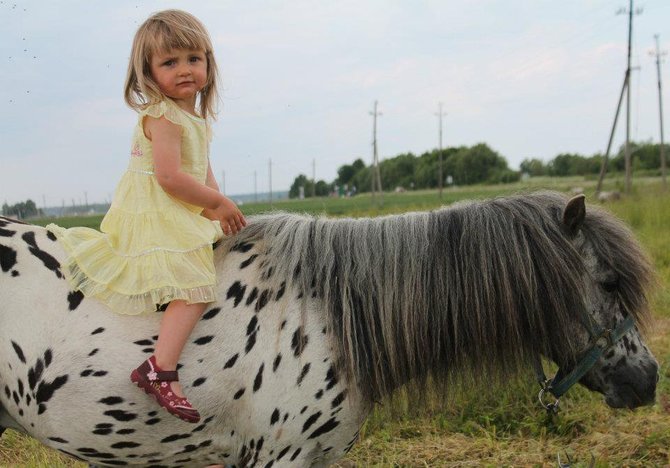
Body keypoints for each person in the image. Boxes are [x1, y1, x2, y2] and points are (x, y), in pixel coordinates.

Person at [47, 9, 246, 423]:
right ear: (149, 73)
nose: (185, 70)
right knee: (194, 284)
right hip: (157, 210)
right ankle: (159, 368)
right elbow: (171, 178)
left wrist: (215, 206)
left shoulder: (194, 117)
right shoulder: (164, 115)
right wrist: (218, 205)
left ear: (209, 62)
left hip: (178, 207)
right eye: (169, 63)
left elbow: (201, 173)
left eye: (194, 58)